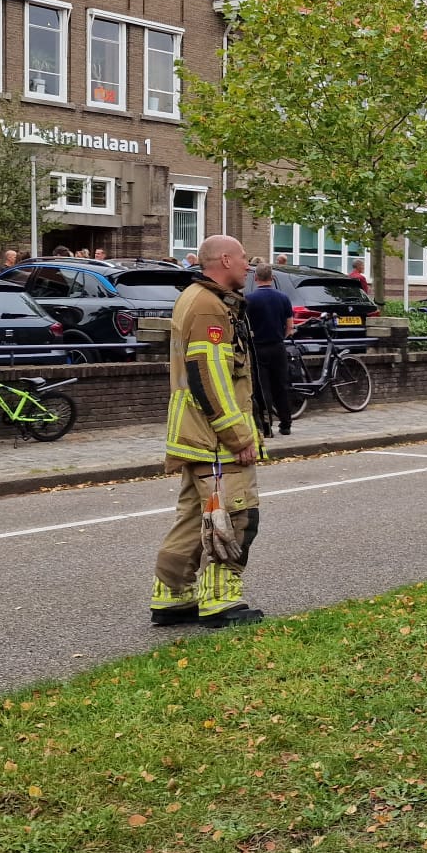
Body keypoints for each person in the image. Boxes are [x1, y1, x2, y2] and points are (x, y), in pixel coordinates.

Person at [152, 233, 264, 629]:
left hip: (195, 434)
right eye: (243, 258)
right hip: (215, 440)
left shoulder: (196, 298)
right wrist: (238, 435)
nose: (249, 266)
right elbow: (209, 375)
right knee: (234, 515)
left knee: (193, 517)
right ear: (225, 260)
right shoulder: (209, 307)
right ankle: (220, 601)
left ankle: (171, 595)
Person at [245, 264, 295, 437]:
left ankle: (266, 426)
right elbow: (290, 326)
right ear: (272, 278)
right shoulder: (283, 298)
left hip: (258, 348)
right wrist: (281, 337)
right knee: (281, 385)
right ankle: (286, 424)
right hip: (278, 346)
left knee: (262, 387)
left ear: (255, 278)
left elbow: (245, 326)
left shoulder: (249, 300)